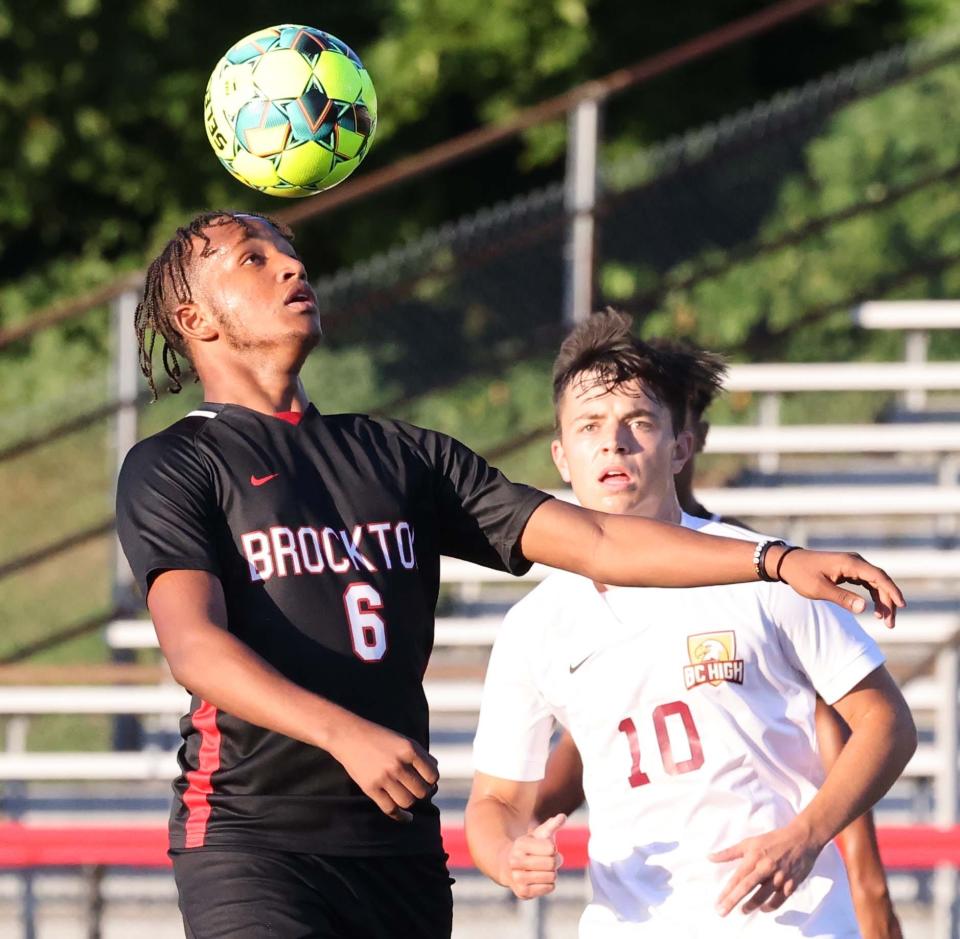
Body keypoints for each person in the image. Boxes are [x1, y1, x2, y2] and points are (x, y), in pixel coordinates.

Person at [115, 212, 904, 939]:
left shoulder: (401, 455)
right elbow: (194, 647)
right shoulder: (177, 464)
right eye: (254, 258)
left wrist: (774, 561)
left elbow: (600, 540)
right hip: (251, 835)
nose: (290, 265)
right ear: (194, 319)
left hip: (396, 846)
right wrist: (340, 732)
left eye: (288, 250)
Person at [465, 310, 916, 936]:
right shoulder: (533, 624)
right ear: (562, 456)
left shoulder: (766, 570)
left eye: (638, 423)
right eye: (589, 426)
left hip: (785, 924)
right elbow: (494, 803)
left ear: (680, 447)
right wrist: (507, 856)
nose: (613, 443)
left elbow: (886, 722)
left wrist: (807, 835)